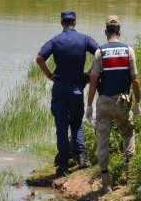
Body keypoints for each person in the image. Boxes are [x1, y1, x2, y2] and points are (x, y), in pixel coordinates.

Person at [36, 10, 99, 176]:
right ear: (75, 22)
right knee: (76, 123)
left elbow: (39, 58)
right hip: (77, 88)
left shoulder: (56, 40)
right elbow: (100, 53)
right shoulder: (85, 39)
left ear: (62, 23)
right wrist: (90, 72)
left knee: (61, 125)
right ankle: (81, 158)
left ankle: (63, 162)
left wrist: (49, 75)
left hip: (60, 87)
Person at [86, 15, 141, 194]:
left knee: (103, 140)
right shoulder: (128, 51)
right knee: (128, 133)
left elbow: (93, 81)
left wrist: (89, 106)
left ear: (105, 32)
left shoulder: (100, 52)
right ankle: (129, 176)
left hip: (103, 102)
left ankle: (105, 182)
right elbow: (135, 80)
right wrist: (138, 103)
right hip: (122, 102)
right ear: (120, 32)